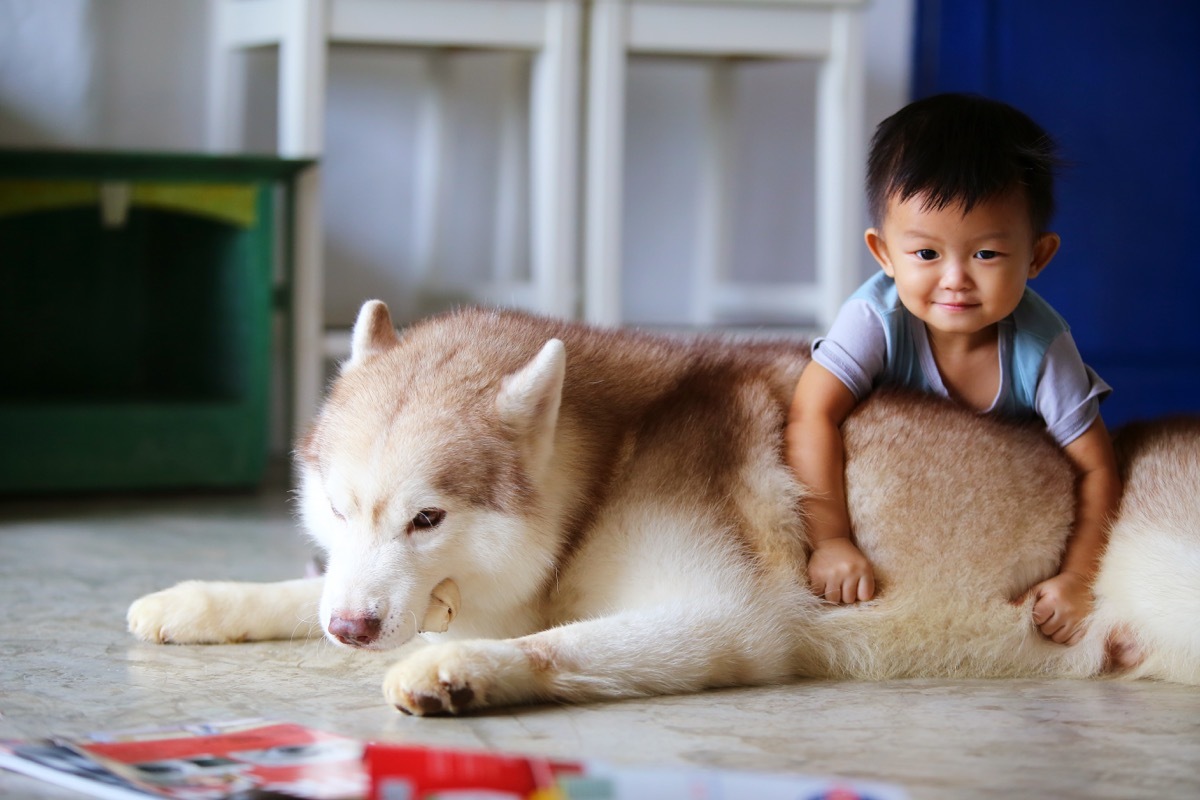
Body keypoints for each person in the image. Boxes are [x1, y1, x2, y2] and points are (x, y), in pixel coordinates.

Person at [786, 93, 1122, 646]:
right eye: (926, 254)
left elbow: (1096, 471)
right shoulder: (876, 317)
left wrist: (1078, 579)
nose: (955, 279)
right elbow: (811, 414)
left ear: (1038, 256)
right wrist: (831, 541)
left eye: (986, 255)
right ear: (884, 253)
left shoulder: (1042, 348)